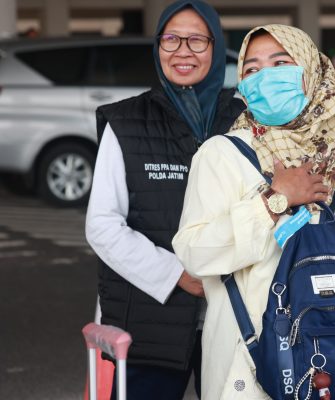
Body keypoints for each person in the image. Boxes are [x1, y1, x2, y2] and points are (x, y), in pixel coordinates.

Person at [171, 24, 335, 399]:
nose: (265, 77)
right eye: (252, 69)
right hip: (248, 362)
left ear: (311, 71)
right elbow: (194, 252)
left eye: (280, 63)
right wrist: (274, 201)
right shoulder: (222, 154)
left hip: (334, 359)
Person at [85, 1, 244, 399]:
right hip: (149, 321)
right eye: (171, 39)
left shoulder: (244, 120)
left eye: (197, 40)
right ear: (157, 46)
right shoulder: (127, 121)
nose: (182, 51)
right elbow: (102, 225)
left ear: (216, 46)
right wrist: (178, 275)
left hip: (234, 318)